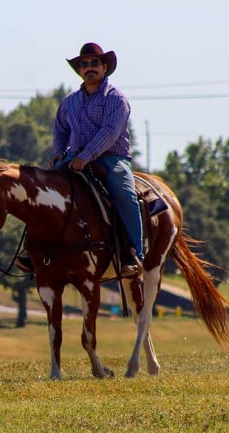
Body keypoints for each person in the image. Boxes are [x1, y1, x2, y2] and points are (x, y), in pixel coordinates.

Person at [18, 42, 144, 277]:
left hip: (112, 158)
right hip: (73, 157)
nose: (89, 68)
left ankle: (132, 252)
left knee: (125, 195)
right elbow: (60, 130)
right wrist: (59, 154)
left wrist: (86, 156)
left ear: (104, 67)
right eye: (84, 65)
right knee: (42, 192)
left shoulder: (116, 99)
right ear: (79, 70)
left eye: (94, 63)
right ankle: (33, 250)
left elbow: (110, 131)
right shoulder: (70, 102)